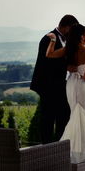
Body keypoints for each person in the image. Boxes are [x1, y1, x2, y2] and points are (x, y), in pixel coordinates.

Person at [46, 24, 85, 156]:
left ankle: (76, 148)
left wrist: (52, 40)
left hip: (72, 83)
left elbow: (49, 54)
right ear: (81, 36)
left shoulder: (68, 49)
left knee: (76, 113)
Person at [30, 14, 79, 144]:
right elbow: (46, 61)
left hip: (61, 85)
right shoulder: (48, 39)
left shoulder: (67, 39)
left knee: (63, 116)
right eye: (72, 30)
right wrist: (67, 66)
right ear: (67, 27)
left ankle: (59, 146)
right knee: (48, 117)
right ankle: (46, 147)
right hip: (48, 86)